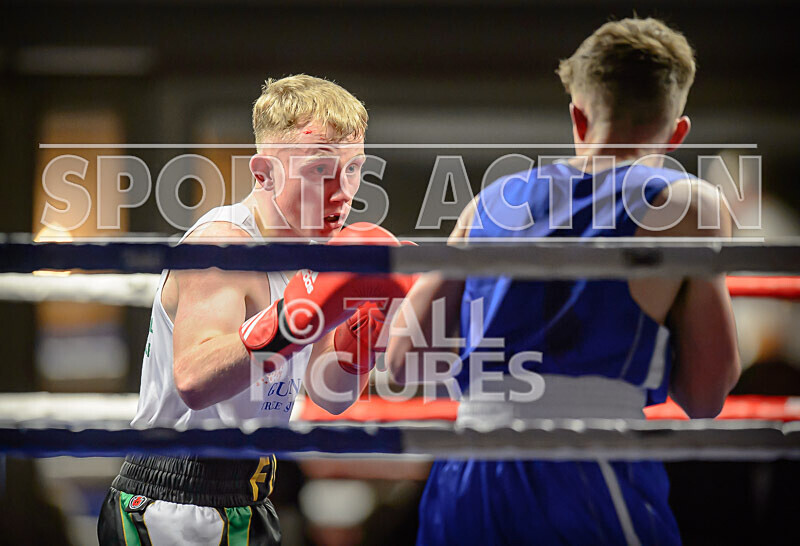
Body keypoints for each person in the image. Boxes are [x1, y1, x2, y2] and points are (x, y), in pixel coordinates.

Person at [386, 18, 741, 545]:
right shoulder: (687, 202)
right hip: (589, 465)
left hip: (467, 471)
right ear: (678, 133)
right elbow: (708, 392)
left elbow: (400, 360)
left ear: (578, 117)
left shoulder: (488, 202)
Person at [98, 74, 411, 545]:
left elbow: (331, 393)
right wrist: (294, 317)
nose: (342, 191)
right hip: (176, 504)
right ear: (264, 172)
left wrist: (370, 322)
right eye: (319, 170)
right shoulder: (222, 244)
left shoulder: (314, 258)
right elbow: (194, 379)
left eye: (353, 169)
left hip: (253, 494)